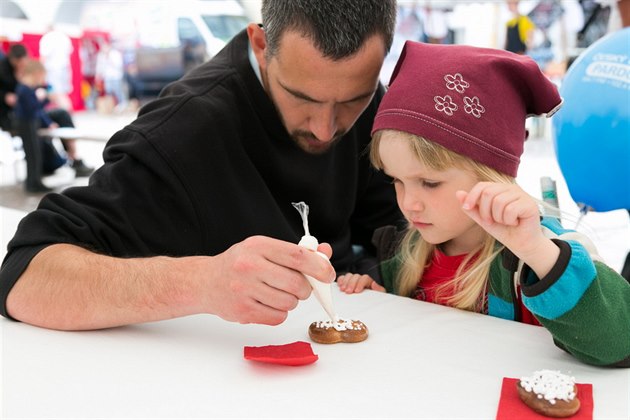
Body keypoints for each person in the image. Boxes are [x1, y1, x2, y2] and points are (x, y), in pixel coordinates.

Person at [0, 0, 402, 331]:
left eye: (353, 99)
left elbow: (387, 229)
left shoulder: (367, 102)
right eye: (303, 98)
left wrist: (376, 271)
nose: (327, 129)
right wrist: (203, 282)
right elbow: (25, 276)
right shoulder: (182, 131)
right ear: (261, 44)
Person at [337, 41, 630, 367]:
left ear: (492, 175)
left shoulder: (540, 257)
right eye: (396, 180)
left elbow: (618, 341)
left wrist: (537, 251)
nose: (408, 204)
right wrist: (382, 302)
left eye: (429, 183)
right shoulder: (406, 251)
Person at [0, 44, 94, 177]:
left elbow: (41, 97)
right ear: (13, 61)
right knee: (35, 123)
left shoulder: (31, 72)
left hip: (33, 113)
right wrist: (5, 97)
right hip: (16, 117)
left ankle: (74, 157)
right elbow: (31, 107)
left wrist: (48, 96)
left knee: (62, 114)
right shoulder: (6, 74)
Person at [13, 58, 57, 193]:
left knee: (34, 154)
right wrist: (46, 99)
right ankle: (33, 183)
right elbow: (33, 108)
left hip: (28, 123)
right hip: (26, 124)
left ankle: (34, 181)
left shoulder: (25, 88)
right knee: (33, 154)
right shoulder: (24, 89)